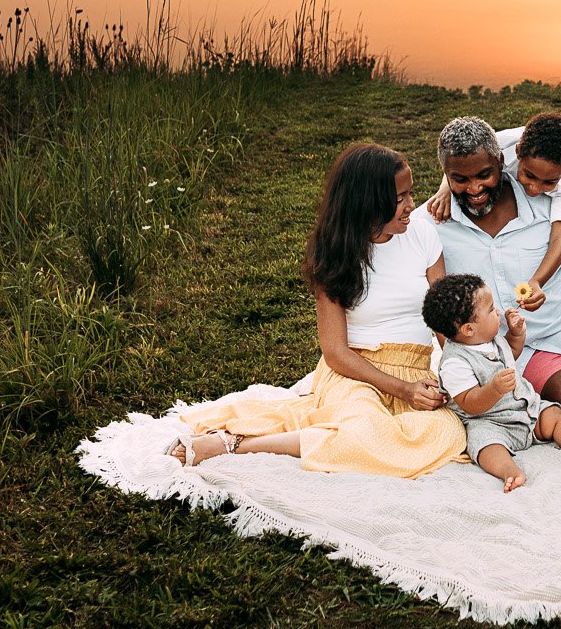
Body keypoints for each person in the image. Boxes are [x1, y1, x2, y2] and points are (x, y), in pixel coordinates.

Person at [166, 143, 465, 476]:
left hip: (414, 369)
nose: (412, 206)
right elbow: (335, 351)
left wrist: (458, 373)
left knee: (449, 432)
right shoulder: (336, 252)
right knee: (366, 433)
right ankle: (235, 444)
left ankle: (318, 437)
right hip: (355, 371)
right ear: (368, 203)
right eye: (399, 199)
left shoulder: (423, 235)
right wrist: (400, 389)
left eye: (411, 194)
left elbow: (443, 324)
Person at [428, 115, 561, 427]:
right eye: (460, 180)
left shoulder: (551, 204)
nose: (474, 188)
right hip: (526, 348)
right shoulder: (433, 227)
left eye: (484, 175)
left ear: (501, 162)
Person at [423, 272, 561, 492]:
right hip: (491, 421)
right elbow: (469, 402)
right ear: (468, 329)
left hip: (527, 409)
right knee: (484, 443)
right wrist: (494, 389)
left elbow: (511, 352)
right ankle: (509, 469)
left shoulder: (489, 339)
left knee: (554, 416)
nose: (496, 311)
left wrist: (516, 335)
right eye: (490, 310)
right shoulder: (454, 362)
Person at [426, 112, 561, 310]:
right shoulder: (501, 142)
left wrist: (537, 281)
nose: (534, 189)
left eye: (549, 182)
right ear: (518, 152)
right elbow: (461, 157)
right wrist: (445, 188)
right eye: (529, 175)